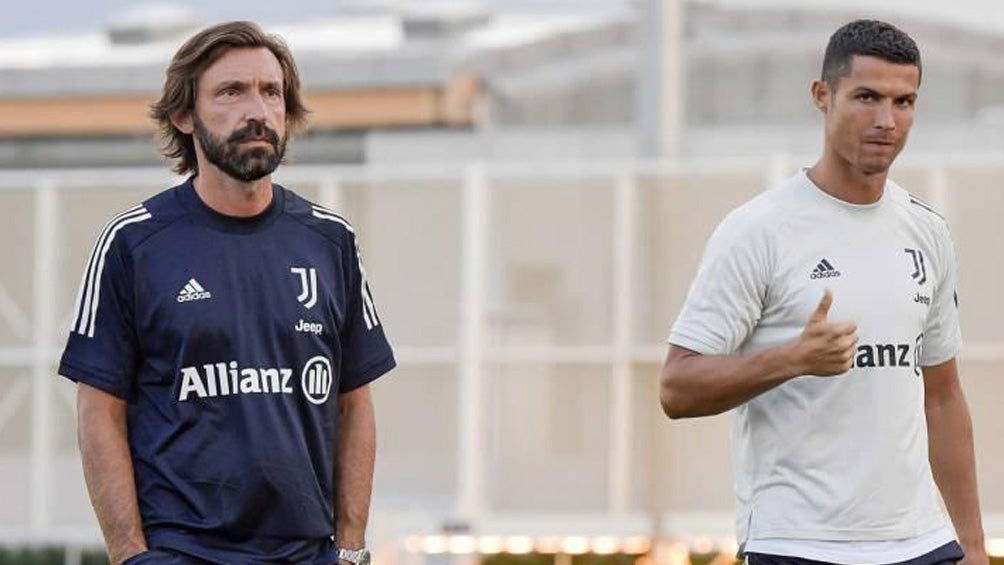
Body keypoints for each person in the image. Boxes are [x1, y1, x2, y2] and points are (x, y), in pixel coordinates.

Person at [59, 21, 395, 565]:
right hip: (181, 552)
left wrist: (351, 550)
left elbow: (355, 404)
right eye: (230, 92)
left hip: (307, 555)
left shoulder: (330, 241)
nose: (256, 110)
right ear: (184, 115)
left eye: (271, 92)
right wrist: (130, 555)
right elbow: (98, 408)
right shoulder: (134, 243)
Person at [660, 19, 986, 565]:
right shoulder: (758, 231)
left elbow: (943, 396)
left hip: (922, 546)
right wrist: (793, 359)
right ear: (822, 96)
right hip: (797, 545)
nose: (887, 121)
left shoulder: (927, 231)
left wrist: (973, 546)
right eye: (867, 97)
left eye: (904, 101)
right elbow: (677, 388)